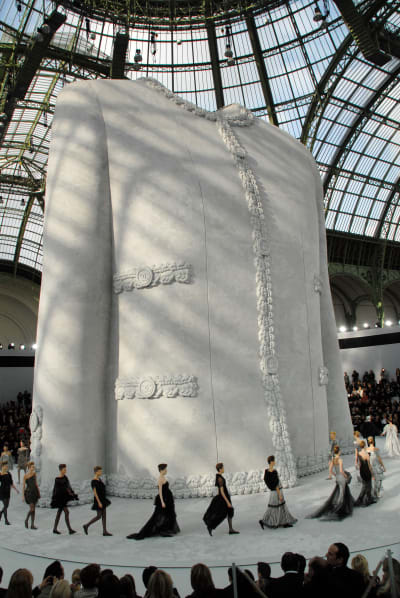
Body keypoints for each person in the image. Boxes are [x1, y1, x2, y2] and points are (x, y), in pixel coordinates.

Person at [127, 464, 180, 540]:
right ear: (161, 470)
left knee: (169, 514)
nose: (166, 471)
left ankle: (166, 529)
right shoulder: (160, 479)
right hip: (164, 499)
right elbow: (160, 492)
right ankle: (154, 530)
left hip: (168, 499)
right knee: (157, 516)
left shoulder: (163, 477)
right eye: (165, 469)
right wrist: (162, 502)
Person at [308, 446, 353, 520]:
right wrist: (346, 476)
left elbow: (331, 471)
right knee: (341, 493)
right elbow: (342, 471)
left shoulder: (333, 459)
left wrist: (336, 475)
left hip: (337, 478)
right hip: (341, 477)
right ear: (339, 451)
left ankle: (340, 506)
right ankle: (338, 508)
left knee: (340, 492)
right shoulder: (340, 460)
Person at [259, 455, 297, 529]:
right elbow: (276, 484)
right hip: (277, 491)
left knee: (272, 507)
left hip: (273, 492)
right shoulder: (273, 472)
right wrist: (279, 494)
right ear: (271, 462)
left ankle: (266, 521)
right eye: (274, 461)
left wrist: (273, 489)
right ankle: (282, 522)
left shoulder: (266, 472)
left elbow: (268, 482)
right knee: (281, 506)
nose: (275, 462)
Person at [203, 463, 239, 536]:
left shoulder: (219, 477)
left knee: (229, 512)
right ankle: (210, 526)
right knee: (221, 514)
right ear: (220, 469)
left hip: (224, 497)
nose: (223, 469)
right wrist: (228, 502)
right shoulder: (220, 478)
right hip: (223, 499)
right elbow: (222, 491)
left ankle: (231, 529)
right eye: (223, 468)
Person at [83, 466, 112, 536]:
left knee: (104, 515)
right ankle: (86, 525)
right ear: (96, 472)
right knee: (99, 516)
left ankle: (105, 531)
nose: (101, 472)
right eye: (100, 471)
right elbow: (95, 493)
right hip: (98, 500)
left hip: (103, 499)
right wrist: (99, 502)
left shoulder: (99, 479)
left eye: (101, 471)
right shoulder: (93, 481)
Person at [51, 464, 78, 534]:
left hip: (64, 498)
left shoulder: (65, 477)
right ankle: (69, 530)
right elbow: (56, 490)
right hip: (59, 498)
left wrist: (72, 493)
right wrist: (54, 498)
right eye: (64, 469)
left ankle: (54, 529)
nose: (65, 471)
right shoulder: (57, 479)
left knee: (59, 513)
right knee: (66, 512)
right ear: (60, 470)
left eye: (65, 469)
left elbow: (68, 486)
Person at [354, 441, 376, 507]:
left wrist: (359, 470)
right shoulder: (366, 454)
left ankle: (360, 500)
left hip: (362, 470)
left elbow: (359, 464)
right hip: (367, 470)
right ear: (365, 446)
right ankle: (368, 500)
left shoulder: (359, 453)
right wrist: (372, 474)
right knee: (369, 485)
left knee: (364, 485)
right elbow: (369, 465)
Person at [22, 460, 40, 529]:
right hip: (29, 493)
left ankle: (32, 524)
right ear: (29, 467)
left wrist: (38, 492)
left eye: (33, 467)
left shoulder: (34, 474)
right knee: (32, 508)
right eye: (32, 467)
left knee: (34, 509)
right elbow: (23, 486)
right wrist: (23, 496)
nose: (33, 468)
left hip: (35, 492)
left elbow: (36, 484)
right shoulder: (25, 476)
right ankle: (26, 520)